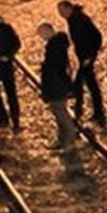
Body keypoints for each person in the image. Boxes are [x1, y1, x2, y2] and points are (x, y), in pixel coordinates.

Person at [58, 0, 106, 128]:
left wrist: (91, 56)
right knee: (88, 84)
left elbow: (96, 36)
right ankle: (94, 111)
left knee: (81, 83)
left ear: (69, 8)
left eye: (62, 11)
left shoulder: (79, 20)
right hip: (83, 57)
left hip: (86, 57)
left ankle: (84, 110)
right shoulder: (74, 19)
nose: (61, 14)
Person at [37, 22, 77, 152]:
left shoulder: (55, 46)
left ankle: (70, 140)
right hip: (56, 84)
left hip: (57, 85)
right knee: (58, 113)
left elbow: (55, 68)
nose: (41, 36)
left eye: (42, 33)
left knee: (61, 112)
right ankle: (62, 140)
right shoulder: (57, 45)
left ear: (49, 30)